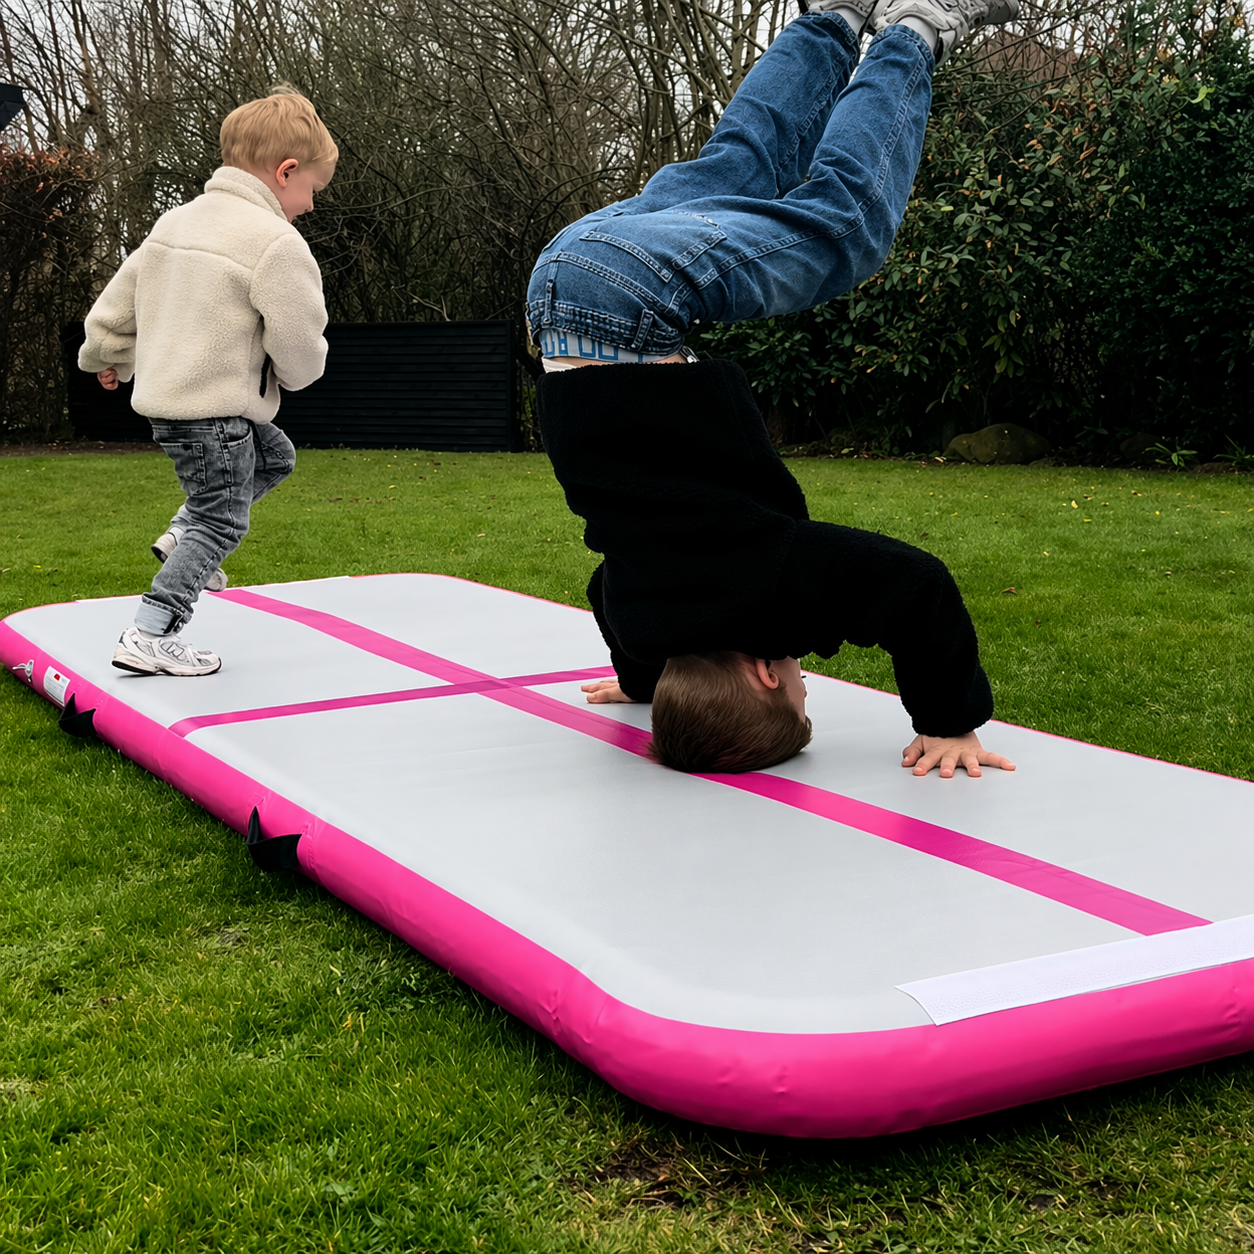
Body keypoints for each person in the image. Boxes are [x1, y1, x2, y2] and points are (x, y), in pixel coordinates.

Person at [530, 0, 1019, 777]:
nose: (800, 679)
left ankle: (917, 28)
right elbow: (603, 591)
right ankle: (832, 18)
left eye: (798, 694)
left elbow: (915, 587)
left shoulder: (772, 594)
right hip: (562, 289)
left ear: (766, 674)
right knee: (743, 163)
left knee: (844, 228)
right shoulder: (652, 622)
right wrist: (644, 683)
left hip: (630, 302)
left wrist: (950, 722)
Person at [79, 86, 335, 676]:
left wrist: (108, 356)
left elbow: (117, 304)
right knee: (220, 520)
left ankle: (181, 536)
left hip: (169, 407)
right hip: (216, 413)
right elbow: (299, 344)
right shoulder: (276, 242)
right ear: (285, 171)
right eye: (311, 189)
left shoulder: (174, 222)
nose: (309, 205)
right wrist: (297, 375)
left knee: (276, 457)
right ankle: (151, 632)